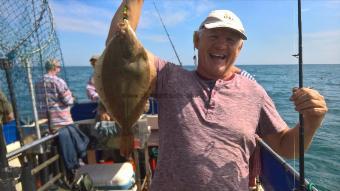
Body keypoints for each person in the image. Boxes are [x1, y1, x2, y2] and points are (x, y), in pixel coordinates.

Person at [106, 1, 327, 190]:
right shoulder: (168, 76)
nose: (222, 44)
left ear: (239, 49)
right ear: (196, 40)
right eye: (214, 35)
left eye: (231, 39)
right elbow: (120, 51)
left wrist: (311, 122)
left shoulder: (254, 92)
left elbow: (285, 146)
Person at [35, 59, 88, 172]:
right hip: (62, 122)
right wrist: (73, 97)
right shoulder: (58, 81)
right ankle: (77, 163)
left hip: (46, 124)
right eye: (58, 67)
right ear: (54, 67)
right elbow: (68, 101)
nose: (59, 69)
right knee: (82, 140)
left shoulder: (38, 81)